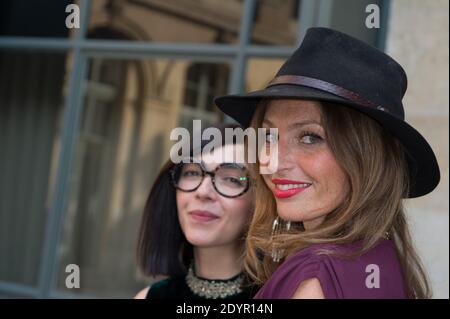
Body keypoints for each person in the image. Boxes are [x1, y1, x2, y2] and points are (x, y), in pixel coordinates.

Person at [215, 27, 441, 299]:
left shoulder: (317, 273)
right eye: (270, 136)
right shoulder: (382, 258)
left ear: (366, 159)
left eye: (310, 137)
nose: (273, 162)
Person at [135, 124, 255, 299]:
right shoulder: (150, 297)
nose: (203, 192)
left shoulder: (288, 294)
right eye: (191, 173)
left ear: (262, 203)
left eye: (231, 179)